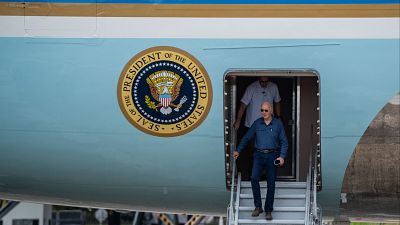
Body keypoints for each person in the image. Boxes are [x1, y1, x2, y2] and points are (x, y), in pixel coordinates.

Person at [233, 102, 288, 221]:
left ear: (271, 110)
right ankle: (258, 207)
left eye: (266, 110)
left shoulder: (278, 124)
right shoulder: (257, 123)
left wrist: (282, 156)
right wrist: (238, 150)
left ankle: (268, 210)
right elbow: (247, 137)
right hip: (258, 155)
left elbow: (284, 142)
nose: (263, 112)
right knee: (253, 178)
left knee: (271, 184)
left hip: (273, 155)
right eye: (262, 110)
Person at [234, 76, 282, 180]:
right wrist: (238, 120)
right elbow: (243, 105)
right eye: (262, 82)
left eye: (266, 82)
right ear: (258, 79)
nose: (264, 84)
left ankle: (265, 175)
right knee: (253, 152)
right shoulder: (251, 88)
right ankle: (252, 175)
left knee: (269, 150)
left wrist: (279, 117)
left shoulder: (273, 87)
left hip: (269, 125)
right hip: (252, 125)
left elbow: (277, 102)